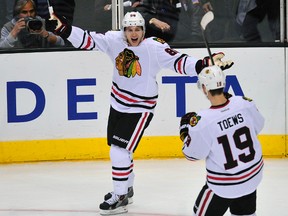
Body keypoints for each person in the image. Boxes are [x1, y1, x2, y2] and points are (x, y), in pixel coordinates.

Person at [48, 11, 233, 215]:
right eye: (129, 29)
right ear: (124, 31)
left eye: (137, 29)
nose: (133, 33)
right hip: (117, 102)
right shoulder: (113, 40)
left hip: (140, 107)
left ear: (143, 30)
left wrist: (204, 64)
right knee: (119, 149)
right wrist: (63, 29)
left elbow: (179, 61)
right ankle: (126, 188)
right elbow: (87, 40)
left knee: (118, 150)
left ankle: (119, 196)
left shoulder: (154, 47)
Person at [179, 65, 264, 215]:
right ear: (223, 84)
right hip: (252, 177)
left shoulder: (203, 121)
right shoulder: (244, 103)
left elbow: (192, 155)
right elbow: (259, 125)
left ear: (205, 89)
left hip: (223, 186)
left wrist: (185, 135)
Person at [0, 0, 64, 49]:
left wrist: (46, 35)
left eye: (31, 11)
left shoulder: (41, 22)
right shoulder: (8, 27)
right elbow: (2, 48)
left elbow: (62, 43)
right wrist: (14, 32)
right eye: (24, 12)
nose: (29, 15)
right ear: (18, 13)